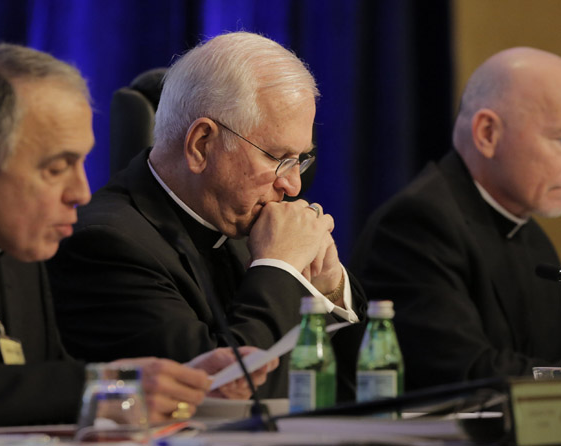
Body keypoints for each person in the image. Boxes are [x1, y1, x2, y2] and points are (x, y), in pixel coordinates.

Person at [0, 43, 274, 429]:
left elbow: (47, 376)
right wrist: (93, 388)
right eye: (57, 168)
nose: (81, 193)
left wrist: (177, 384)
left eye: (82, 161)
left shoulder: (16, 243)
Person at [47, 31, 367, 399]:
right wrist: (281, 272)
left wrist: (327, 288)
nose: (293, 186)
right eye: (278, 159)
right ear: (201, 145)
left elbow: (363, 394)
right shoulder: (104, 246)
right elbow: (223, 395)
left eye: (300, 159)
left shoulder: (244, 223)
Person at [351, 47, 561, 391]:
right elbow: (464, 373)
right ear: (487, 134)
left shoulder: (535, 242)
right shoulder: (417, 226)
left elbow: (560, 359)